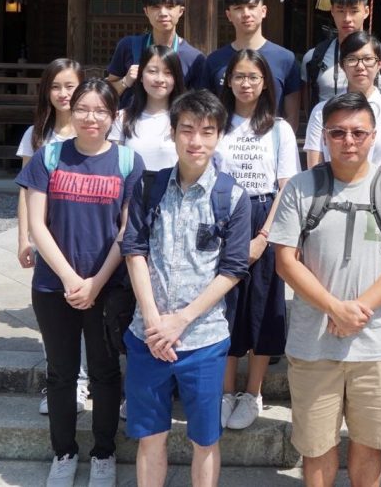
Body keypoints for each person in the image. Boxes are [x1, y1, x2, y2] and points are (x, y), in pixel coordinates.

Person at [270, 92, 381, 487]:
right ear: (324, 136)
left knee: (370, 443)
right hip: (314, 343)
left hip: (375, 343)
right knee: (316, 445)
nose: (349, 141)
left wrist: (356, 308)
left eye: (359, 132)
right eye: (338, 132)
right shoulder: (302, 188)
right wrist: (334, 309)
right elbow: (285, 260)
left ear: (374, 136)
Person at [16, 78, 145, 487]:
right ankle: (64, 451)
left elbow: (127, 232)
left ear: (114, 116)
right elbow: (37, 223)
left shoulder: (128, 161)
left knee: (107, 372)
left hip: (108, 287)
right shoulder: (50, 157)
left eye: (101, 111)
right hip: (55, 287)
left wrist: (95, 282)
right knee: (61, 372)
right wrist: (73, 279)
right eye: (83, 108)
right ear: (71, 110)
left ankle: (103, 452)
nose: (91, 117)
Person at [121, 90, 252, 487]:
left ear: (219, 137)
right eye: (187, 130)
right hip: (148, 336)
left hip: (204, 339)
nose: (196, 141)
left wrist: (180, 321)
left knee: (205, 440)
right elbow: (134, 250)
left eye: (207, 131)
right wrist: (153, 319)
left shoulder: (232, 196)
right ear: (173, 133)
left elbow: (232, 270)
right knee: (150, 437)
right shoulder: (148, 188)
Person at [215, 49, 300, 430]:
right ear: (228, 81)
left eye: (253, 77)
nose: (246, 83)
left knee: (264, 306)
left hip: (265, 215)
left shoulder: (278, 128)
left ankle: (254, 392)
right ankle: (226, 390)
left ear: (265, 82)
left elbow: (286, 186)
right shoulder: (216, 123)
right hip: (222, 220)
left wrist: (265, 235)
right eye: (239, 76)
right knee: (225, 305)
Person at [15, 58, 89, 417]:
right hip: (48, 235)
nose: (63, 94)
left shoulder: (92, 128)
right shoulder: (36, 135)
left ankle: (85, 380)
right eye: (56, 86)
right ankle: (60, 380)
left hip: (87, 233)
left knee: (88, 306)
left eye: (70, 86)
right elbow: (23, 192)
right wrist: (23, 237)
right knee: (53, 310)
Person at [193, 0, 303, 130]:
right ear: (228, 15)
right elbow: (205, 111)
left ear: (263, 11)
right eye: (238, 8)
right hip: (225, 143)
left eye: (252, 7)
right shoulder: (214, 60)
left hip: (269, 143)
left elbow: (292, 116)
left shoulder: (285, 59)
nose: (246, 14)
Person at [304, 31, 381, 173]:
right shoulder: (321, 111)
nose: (360, 66)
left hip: (378, 193)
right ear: (342, 65)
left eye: (367, 59)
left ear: (379, 64)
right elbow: (315, 169)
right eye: (352, 59)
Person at [302, 0, 381, 106]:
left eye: (354, 11)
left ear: (366, 12)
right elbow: (308, 105)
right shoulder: (313, 58)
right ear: (332, 11)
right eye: (341, 11)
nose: (347, 18)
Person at [106, 0, 204, 103]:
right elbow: (107, 94)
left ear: (180, 11)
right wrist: (126, 81)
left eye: (170, 6)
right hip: (131, 120)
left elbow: (198, 105)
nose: (163, 13)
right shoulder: (128, 46)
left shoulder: (194, 58)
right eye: (156, 7)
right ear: (146, 11)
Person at [115, 44, 184, 199]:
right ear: (140, 75)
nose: (160, 79)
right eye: (152, 71)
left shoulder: (185, 119)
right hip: (131, 203)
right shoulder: (122, 118)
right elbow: (113, 168)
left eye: (168, 73)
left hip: (174, 202)